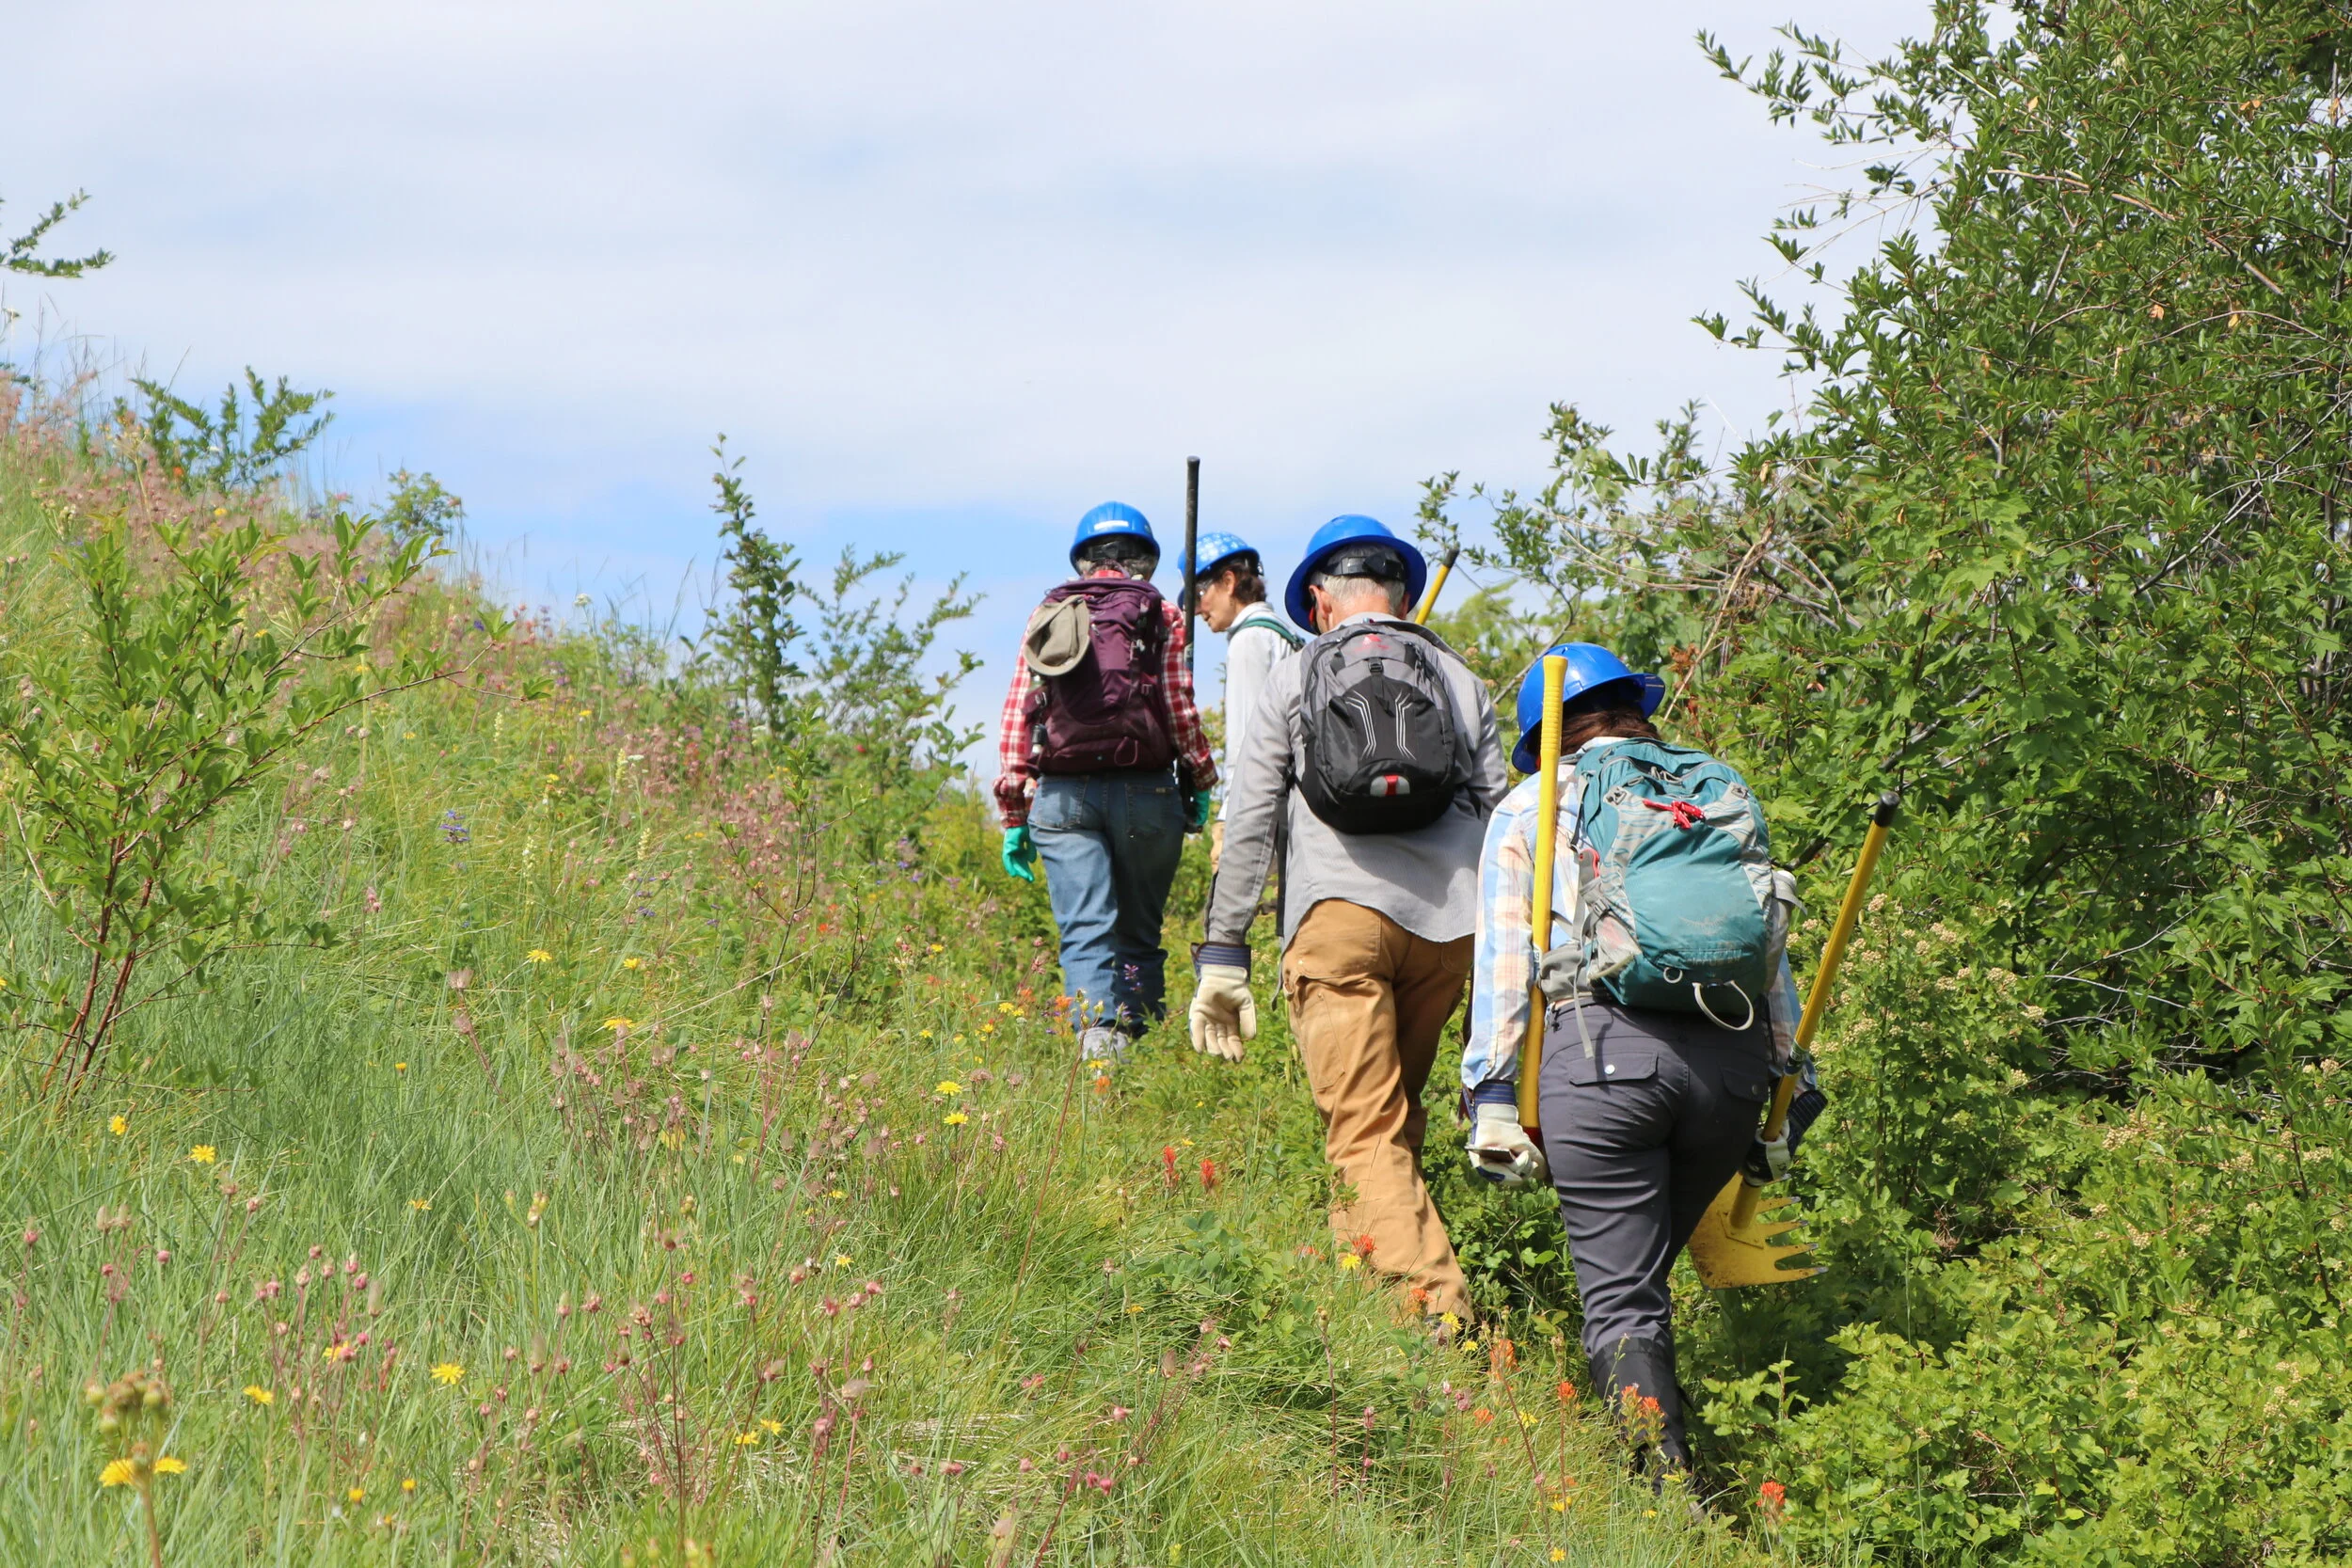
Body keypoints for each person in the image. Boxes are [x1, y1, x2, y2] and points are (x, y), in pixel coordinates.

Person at [1459, 642, 1801, 1477]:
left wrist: (1491, 1094)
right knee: (1644, 1277)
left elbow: (1505, 956)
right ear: (1631, 708)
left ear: (1544, 734)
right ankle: (1681, 1451)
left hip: (1601, 1061)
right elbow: (1769, 950)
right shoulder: (1711, 790)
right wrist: (1790, 1093)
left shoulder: (1535, 803)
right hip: (1732, 1073)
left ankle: (1660, 1495)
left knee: (1623, 1298)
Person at [1188, 515, 1506, 1324]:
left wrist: (1224, 951)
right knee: (1388, 1122)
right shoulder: (1457, 676)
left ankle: (1437, 1321)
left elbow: (1252, 815)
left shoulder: (1297, 673)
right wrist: (1507, 958)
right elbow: (1502, 817)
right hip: (1448, 931)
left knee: (1364, 1129)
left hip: (1337, 924)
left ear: (1321, 604)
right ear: (1401, 597)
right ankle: (1363, 1306)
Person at [995, 501, 1218, 1059]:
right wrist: (1200, 780)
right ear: (1145, 560)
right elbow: (1179, 707)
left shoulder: (1049, 611)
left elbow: (1019, 712)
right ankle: (1143, 1058)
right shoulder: (1161, 612)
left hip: (1062, 797)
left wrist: (1014, 813)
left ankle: (1098, 1063)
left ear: (1082, 560)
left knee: (1084, 930)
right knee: (1139, 933)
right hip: (1148, 791)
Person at [1175, 531, 1304, 871]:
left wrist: (1228, 819)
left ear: (1229, 582)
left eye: (1199, 594)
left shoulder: (1249, 641)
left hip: (1262, 811)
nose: (1197, 610)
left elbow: (1247, 743)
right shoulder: (1280, 634)